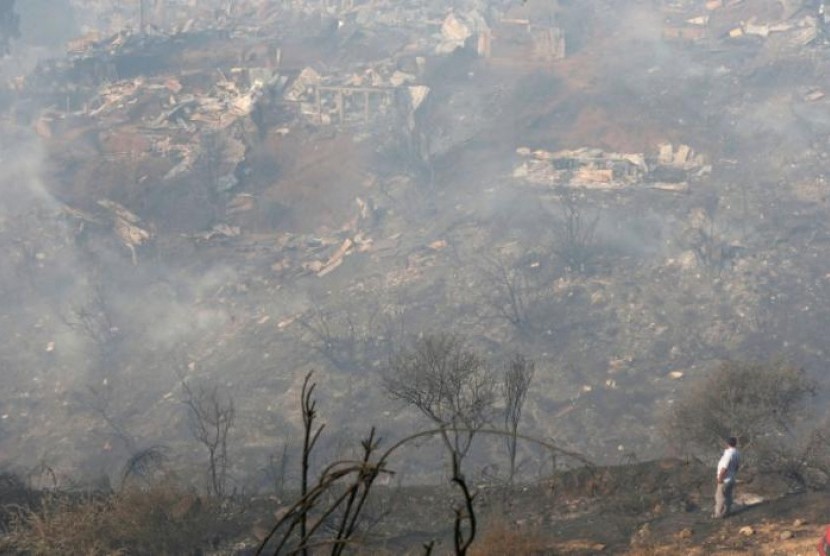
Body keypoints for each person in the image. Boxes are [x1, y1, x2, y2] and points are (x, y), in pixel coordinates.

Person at [713, 436, 740, 518]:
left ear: (727, 444)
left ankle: (719, 514)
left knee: (720, 497)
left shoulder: (728, 454)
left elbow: (724, 468)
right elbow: (737, 466)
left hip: (725, 479)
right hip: (731, 478)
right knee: (728, 496)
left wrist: (720, 478)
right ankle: (727, 512)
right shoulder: (737, 453)